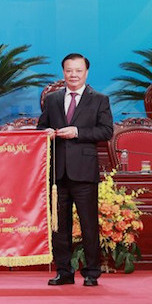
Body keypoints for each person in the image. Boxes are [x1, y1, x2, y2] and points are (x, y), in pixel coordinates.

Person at [38, 53, 113, 287]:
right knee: (59, 227)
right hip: (57, 174)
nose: (73, 75)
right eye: (69, 70)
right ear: (63, 72)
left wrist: (77, 132)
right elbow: (41, 128)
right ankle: (64, 271)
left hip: (84, 172)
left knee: (89, 225)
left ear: (86, 73)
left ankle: (91, 272)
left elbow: (106, 131)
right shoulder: (52, 99)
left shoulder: (99, 99)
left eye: (78, 70)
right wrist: (46, 133)